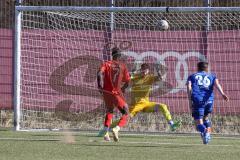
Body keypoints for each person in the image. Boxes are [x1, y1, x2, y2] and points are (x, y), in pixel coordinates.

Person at [98, 63, 181, 137]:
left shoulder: (150, 78)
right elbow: (126, 77)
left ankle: (172, 124)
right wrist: (132, 73)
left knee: (163, 106)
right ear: (141, 70)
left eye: (146, 69)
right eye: (143, 69)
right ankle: (106, 130)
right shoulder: (135, 77)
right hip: (135, 105)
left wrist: (159, 73)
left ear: (148, 71)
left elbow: (160, 79)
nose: (145, 71)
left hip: (146, 104)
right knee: (126, 117)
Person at [186, 61, 229, 144]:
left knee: (198, 123)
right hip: (209, 100)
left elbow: (188, 86)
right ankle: (207, 135)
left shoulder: (192, 76)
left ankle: (205, 131)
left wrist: (189, 100)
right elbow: (217, 85)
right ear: (207, 68)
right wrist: (222, 93)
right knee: (205, 118)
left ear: (197, 68)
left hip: (198, 100)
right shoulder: (212, 76)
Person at [97, 47, 130, 142]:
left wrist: (100, 86)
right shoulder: (122, 66)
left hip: (106, 92)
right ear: (119, 55)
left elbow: (99, 73)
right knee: (126, 112)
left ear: (112, 54)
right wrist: (123, 89)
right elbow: (127, 81)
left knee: (110, 111)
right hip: (116, 93)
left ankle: (105, 132)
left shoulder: (106, 64)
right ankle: (116, 129)